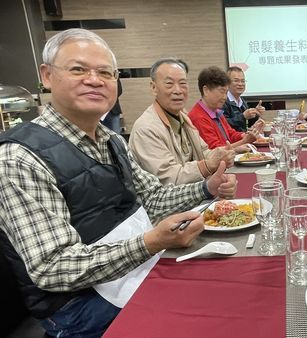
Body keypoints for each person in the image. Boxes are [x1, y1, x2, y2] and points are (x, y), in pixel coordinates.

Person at [0, 28, 237, 337]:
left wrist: (207, 188)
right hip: (76, 305)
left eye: (106, 73)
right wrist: (151, 242)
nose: (95, 80)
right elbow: (53, 267)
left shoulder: (111, 139)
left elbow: (151, 199)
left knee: (224, 285)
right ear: (46, 76)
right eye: (78, 70)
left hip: (132, 269)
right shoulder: (19, 157)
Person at [128, 58, 235, 185]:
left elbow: (203, 152)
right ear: (153, 88)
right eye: (169, 84)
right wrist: (208, 165)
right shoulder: (146, 128)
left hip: (192, 194)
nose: (178, 90)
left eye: (183, 83)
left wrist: (221, 156)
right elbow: (168, 179)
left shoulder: (183, 117)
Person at [188, 66, 263, 152]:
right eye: (222, 92)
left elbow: (231, 134)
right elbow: (215, 151)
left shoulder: (216, 111)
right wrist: (244, 141)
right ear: (206, 90)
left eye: (226, 92)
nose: (225, 97)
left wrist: (246, 135)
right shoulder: (198, 117)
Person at [222, 66, 265, 132]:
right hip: (232, 141)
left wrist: (255, 113)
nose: (240, 84)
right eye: (236, 81)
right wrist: (243, 116)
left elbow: (247, 125)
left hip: (243, 138)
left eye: (243, 81)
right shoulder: (222, 101)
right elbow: (223, 124)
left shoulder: (242, 101)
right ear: (227, 83)